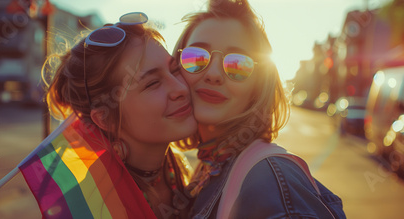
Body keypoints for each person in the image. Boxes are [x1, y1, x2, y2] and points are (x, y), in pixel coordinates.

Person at [172, 1, 347, 218]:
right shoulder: (207, 167)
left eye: (237, 64)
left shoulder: (271, 177)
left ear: (259, 84)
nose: (214, 74)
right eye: (196, 58)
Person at [45, 12, 196, 219]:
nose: (180, 88)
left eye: (175, 69)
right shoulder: (91, 210)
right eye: (152, 83)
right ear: (106, 118)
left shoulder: (182, 170)